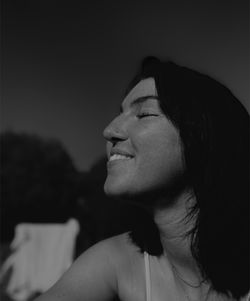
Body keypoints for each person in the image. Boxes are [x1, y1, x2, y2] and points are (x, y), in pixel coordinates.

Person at [35, 57, 249, 301]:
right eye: (121, 113)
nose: (109, 130)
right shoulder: (115, 261)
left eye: (144, 113)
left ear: (204, 138)